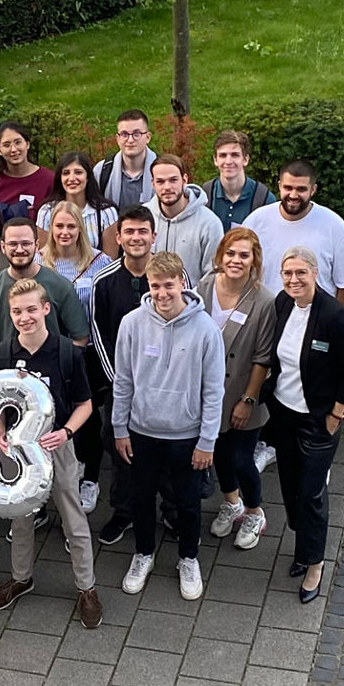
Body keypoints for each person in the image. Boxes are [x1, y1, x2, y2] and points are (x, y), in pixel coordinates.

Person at [0, 280, 101, 630]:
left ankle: (87, 588)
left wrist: (65, 433)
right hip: (18, 452)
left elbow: (85, 405)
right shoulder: (4, 353)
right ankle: (21, 578)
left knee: (73, 520)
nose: (25, 317)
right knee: (20, 520)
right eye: (17, 311)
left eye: (32, 309)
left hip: (57, 448)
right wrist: (0, 431)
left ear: (46, 309)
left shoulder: (67, 352)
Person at [112, 251, 223, 601]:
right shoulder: (131, 323)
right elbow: (123, 381)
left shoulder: (206, 329)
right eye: (155, 286)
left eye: (169, 285)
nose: (162, 293)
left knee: (188, 503)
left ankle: (188, 559)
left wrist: (207, 440)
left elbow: (213, 390)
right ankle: (143, 554)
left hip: (187, 437)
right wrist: (119, 428)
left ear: (182, 284)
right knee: (142, 499)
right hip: (142, 432)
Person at [267, 245, 344, 603]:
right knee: (290, 487)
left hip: (318, 419)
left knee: (311, 493)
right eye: (287, 273)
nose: (293, 280)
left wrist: (336, 415)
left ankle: (315, 563)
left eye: (300, 273)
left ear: (315, 274)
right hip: (284, 412)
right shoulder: (282, 303)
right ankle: (302, 549)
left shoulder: (335, 317)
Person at [201, 229, 276, 550]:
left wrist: (248, 399)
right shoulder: (203, 287)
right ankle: (231, 502)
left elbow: (263, 357)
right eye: (231, 253)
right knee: (217, 453)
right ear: (220, 255)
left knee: (241, 459)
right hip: (207, 394)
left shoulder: (264, 300)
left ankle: (254, 511)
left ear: (254, 261)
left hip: (244, 392)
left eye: (244, 255)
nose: (236, 260)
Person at [86, 204, 155, 547]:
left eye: (143, 231)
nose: (136, 237)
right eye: (129, 231)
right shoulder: (104, 279)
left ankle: (169, 509)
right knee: (119, 446)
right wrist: (119, 382)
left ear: (153, 236)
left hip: (162, 385)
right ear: (118, 237)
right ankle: (123, 511)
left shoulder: (169, 277)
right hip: (120, 384)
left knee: (165, 447)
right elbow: (98, 333)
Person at [41, 201, 114, 509]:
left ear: (81, 230)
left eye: (71, 226)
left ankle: (90, 478)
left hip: (87, 354)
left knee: (86, 418)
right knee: (52, 416)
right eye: (59, 226)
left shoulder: (101, 262)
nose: (65, 232)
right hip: (49, 355)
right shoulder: (39, 262)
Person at [243, 160, 344, 307]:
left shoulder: (334, 226)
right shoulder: (256, 221)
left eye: (301, 189)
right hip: (265, 316)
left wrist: (336, 322)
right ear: (279, 186)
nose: (293, 195)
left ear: (313, 189)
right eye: (288, 188)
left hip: (314, 319)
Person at [0, 218, 88, 367]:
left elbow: (80, 338)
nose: (19, 250)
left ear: (37, 245)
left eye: (26, 243)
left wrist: (64, 371)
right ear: (3, 247)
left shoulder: (61, 286)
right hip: (9, 378)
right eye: (13, 244)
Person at [149, 154, 223, 284]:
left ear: (184, 180)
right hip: (149, 301)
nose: (167, 187)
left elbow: (213, 276)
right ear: (153, 184)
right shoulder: (144, 217)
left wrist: (189, 301)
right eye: (160, 181)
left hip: (192, 302)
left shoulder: (209, 223)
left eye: (173, 180)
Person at [36, 152, 119, 257]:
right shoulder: (46, 211)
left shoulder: (106, 212)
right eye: (66, 173)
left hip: (96, 272)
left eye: (78, 172)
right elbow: (43, 257)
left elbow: (110, 261)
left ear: (88, 177)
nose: (72, 178)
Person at [0, 121, 54, 222]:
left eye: (18, 142)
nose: (13, 149)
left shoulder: (48, 179)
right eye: (6, 145)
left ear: (27, 144)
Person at [204, 130, 273, 230]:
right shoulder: (205, 196)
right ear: (215, 160)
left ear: (245, 159)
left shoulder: (263, 198)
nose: (228, 161)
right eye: (223, 155)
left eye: (235, 155)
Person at [92, 110, 158, 211]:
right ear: (117, 139)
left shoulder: (163, 170)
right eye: (124, 134)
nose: (130, 140)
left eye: (137, 134)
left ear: (148, 137)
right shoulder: (102, 171)